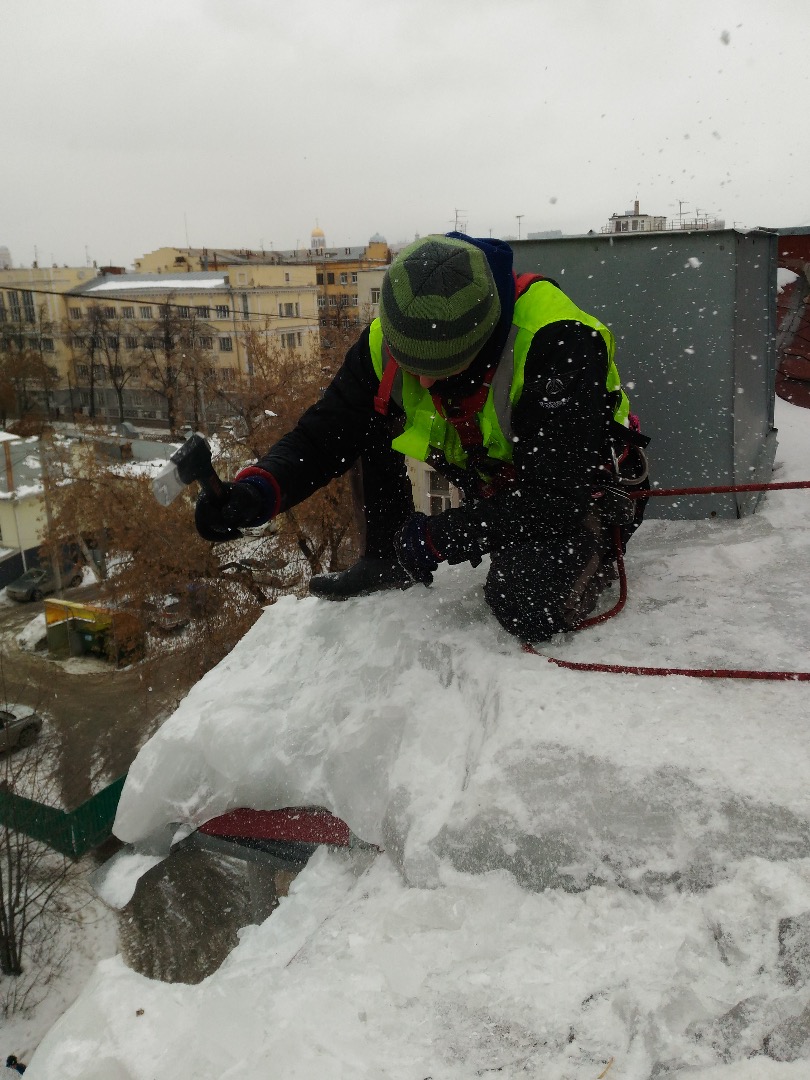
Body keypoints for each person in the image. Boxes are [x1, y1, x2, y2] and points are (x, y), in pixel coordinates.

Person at [195, 233, 648, 642]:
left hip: (585, 489)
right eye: (410, 365)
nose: (423, 385)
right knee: (371, 418)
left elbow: (556, 497)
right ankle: (384, 560)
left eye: (440, 372)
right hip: (503, 486)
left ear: (482, 342)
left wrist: (440, 537)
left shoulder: (554, 342)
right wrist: (259, 490)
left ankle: (596, 549)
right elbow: (325, 434)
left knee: (525, 599)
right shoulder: (393, 334)